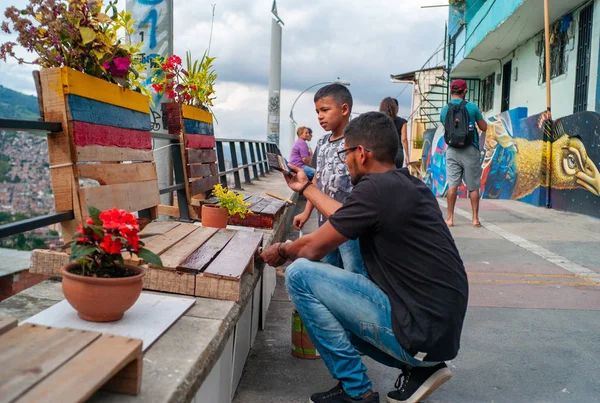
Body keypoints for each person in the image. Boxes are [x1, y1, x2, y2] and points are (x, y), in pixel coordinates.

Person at [261, 112, 468, 403]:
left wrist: (282, 250)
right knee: (329, 305)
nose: (344, 161)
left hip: (417, 333)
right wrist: (306, 188)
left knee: (300, 275)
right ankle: (419, 370)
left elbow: (312, 249)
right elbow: (342, 215)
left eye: (345, 152)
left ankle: (356, 391)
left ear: (360, 153)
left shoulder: (374, 190)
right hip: (436, 334)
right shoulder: (408, 185)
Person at [294, 83, 365, 275]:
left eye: (325, 110)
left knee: (353, 269)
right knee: (329, 268)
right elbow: (317, 179)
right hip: (325, 223)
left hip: (350, 224)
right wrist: (306, 212)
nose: (320, 116)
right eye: (317, 111)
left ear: (344, 109)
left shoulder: (356, 143)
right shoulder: (322, 142)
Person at [440, 79, 487, 228]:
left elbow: (446, 127)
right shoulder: (472, 107)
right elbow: (484, 127)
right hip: (470, 150)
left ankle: (450, 218)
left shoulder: (444, 109)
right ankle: (474, 219)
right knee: (473, 186)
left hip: (452, 151)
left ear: (451, 91)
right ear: (464, 91)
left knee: (453, 186)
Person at [379, 97, 409, 168]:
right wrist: (407, 156)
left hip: (384, 152)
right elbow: (404, 139)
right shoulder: (402, 122)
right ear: (396, 108)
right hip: (398, 153)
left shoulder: (379, 121)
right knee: (397, 176)